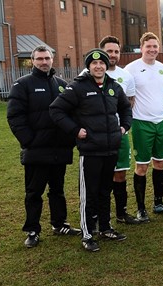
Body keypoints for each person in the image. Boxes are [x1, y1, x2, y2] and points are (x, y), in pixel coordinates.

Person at [50, 49, 132, 252]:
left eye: (102, 63)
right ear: (88, 66)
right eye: (94, 64)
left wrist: (124, 127)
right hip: (90, 151)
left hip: (111, 148)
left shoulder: (114, 86)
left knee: (106, 190)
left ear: (106, 65)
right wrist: (76, 130)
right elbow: (56, 110)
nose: (98, 66)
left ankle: (105, 227)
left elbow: (125, 108)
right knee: (89, 194)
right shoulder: (77, 87)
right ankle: (87, 234)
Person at [7, 45, 81, 248]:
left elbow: (71, 113)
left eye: (47, 58)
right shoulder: (23, 84)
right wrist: (29, 141)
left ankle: (59, 224)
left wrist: (68, 139)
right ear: (32, 61)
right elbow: (15, 116)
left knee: (57, 190)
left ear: (52, 59)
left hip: (59, 150)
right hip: (37, 150)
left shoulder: (61, 84)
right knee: (34, 192)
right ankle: (33, 230)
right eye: (39, 58)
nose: (43, 62)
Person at [125, 32, 163, 221]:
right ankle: (141, 209)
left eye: (155, 46)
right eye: (149, 46)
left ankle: (159, 203)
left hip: (161, 122)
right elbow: (128, 96)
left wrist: (159, 109)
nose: (153, 50)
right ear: (142, 47)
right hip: (141, 123)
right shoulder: (131, 69)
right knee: (142, 166)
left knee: (160, 163)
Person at [97, 35, 140, 225]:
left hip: (118, 133)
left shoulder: (126, 76)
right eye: (109, 51)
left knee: (120, 172)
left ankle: (121, 213)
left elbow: (129, 103)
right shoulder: (87, 74)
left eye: (116, 51)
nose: (112, 55)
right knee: (99, 175)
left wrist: (123, 126)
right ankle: (97, 215)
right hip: (96, 135)